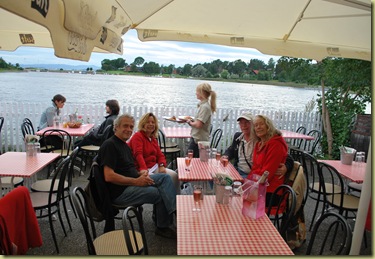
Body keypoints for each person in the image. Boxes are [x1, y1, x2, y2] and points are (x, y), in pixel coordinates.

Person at [97, 114, 177, 239]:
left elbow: (128, 168)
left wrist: (140, 173)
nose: (129, 129)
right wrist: (136, 181)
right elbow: (109, 176)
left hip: (132, 182)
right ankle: (164, 225)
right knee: (160, 192)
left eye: (131, 127)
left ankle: (172, 213)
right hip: (120, 192)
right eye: (125, 126)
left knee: (165, 178)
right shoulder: (110, 145)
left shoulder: (124, 145)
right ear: (116, 127)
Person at [224, 111, 293, 179]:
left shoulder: (260, 139)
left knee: (227, 185)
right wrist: (225, 156)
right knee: (217, 177)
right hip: (239, 170)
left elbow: (286, 157)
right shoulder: (238, 137)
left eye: (247, 122)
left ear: (252, 125)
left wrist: (287, 166)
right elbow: (231, 149)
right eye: (241, 123)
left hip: (251, 175)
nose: (244, 125)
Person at [128, 112, 180, 194]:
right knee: (165, 181)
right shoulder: (138, 136)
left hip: (154, 167)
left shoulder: (153, 138)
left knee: (174, 175)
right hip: (142, 169)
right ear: (143, 124)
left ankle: (177, 199)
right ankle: (170, 203)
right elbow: (138, 154)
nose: (151, 124)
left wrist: (162, 165)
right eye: (148, 122)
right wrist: (144, 170)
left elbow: (160, 155)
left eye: (153, 122)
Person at [248, 114, 288, 206]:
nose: (258, 127)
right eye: (255, 125)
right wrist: (247, 183)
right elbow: (254, 168)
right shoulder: (259, 144)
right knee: (234, 193)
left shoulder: (276, 144)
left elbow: (267, 173)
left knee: (239, 200)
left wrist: (250, 188)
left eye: (261, 124)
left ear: (268, 126)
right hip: (258, 184)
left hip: (271, 190)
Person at [186, 83, 217, 157]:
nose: (196, 93)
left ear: (202, 93)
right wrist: (192, 120)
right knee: (193, 162)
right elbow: (199, 121)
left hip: (199, 141)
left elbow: (199, 125)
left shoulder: (205, 107)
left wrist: (190, 122)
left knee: (191, 161)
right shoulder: (203, 106)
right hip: (197, 139)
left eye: (197, 91)